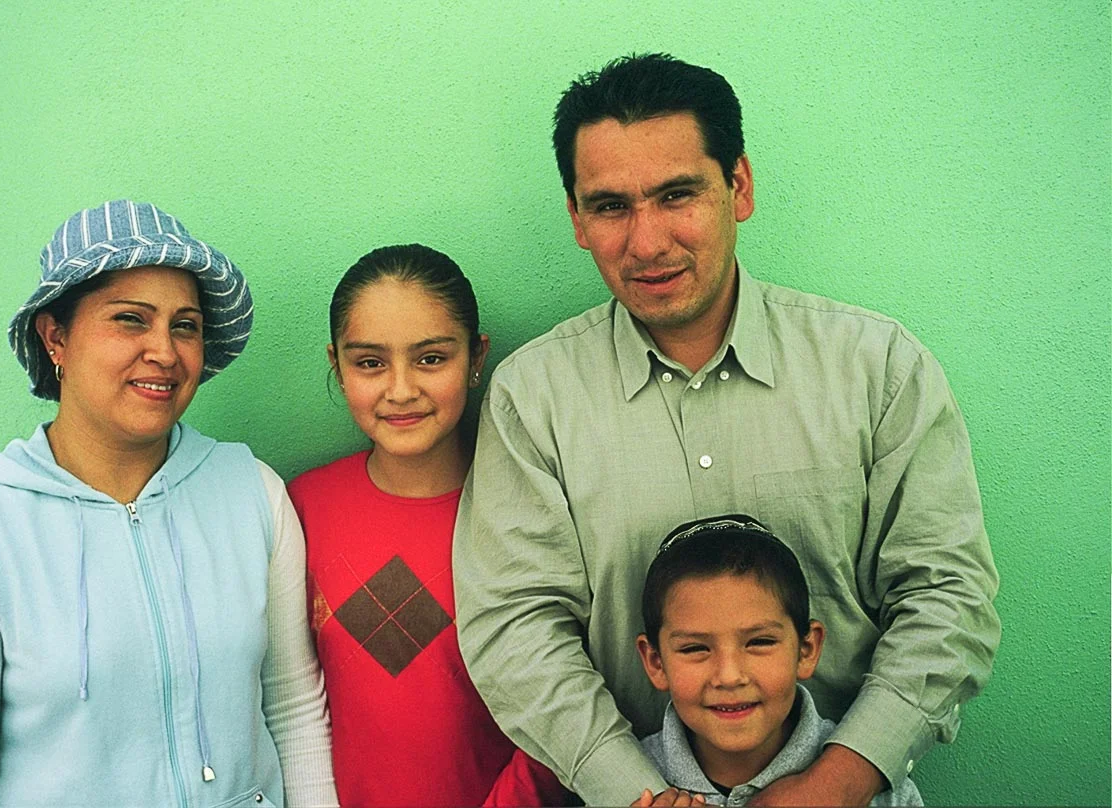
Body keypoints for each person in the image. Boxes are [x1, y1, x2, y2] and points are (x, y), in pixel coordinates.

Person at [454, 53, 1000, 806]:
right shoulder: (533, 398)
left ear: (737, 187)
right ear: (577, 218)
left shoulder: (876, 367)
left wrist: (841, 780)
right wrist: (638, 795)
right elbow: (516, 630)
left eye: (677, 194)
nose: (646, 243)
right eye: (610, 205)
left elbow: (948, 592)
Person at [0, 200, 337, 807]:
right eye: (131, 320)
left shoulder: (252, 493)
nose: (164, 351)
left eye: (184, 325)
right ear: (56, 335)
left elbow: (293, 709)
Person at [287, 244, 564, 808]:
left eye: (431, 358)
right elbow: (289, 698)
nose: (400, 389)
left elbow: (563, 699)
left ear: (476, 356)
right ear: (336, 365)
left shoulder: (527, 506)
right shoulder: (304, 507)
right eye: (369, 362)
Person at [634, 515, 922, 807]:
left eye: (759, 642)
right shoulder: (634, 787)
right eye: (695, 648)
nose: (730, 676)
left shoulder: (875, 792)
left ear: (806, 649)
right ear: (656, 662)